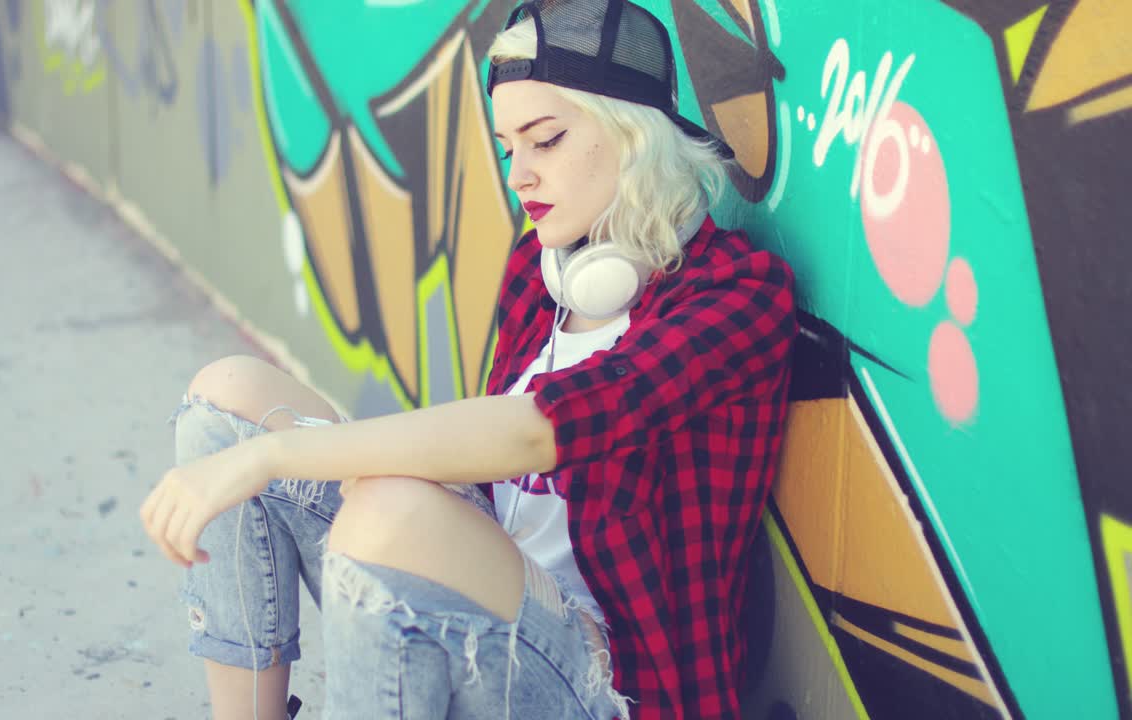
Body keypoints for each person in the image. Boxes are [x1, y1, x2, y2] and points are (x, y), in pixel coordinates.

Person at [139, 1, 796, 718]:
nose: (519, 176)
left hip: (610, 684)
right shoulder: (541, 268)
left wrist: (273, 459)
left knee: (381, 510)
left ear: (631, 131)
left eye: (544, 141)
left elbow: (538, 429)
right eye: (509, 147)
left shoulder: (737, 297)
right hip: (482, 613)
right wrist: (258, 449)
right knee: (227, 395)